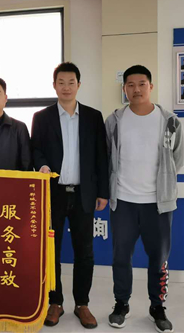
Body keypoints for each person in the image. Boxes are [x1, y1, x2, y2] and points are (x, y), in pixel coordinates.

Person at [105, 65, 184, 333]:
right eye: (130, 85)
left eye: (141, 84)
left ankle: (157, 307)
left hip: (157, 204)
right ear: (124, 89)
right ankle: (121, 304)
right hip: (123, 202)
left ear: (151, 86)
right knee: (121, 257)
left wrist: (162, 185)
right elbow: (108, 157)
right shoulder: (114, 121)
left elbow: (177, 158)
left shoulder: (170, 121)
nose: (136, 89)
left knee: (159, 258)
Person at [31, 62, 109, 329]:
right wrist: (41, 164)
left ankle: (82, 304)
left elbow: (101, 157)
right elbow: (36, 150)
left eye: (71, 82)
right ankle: (56, 302)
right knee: (51, 251)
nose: (66, 87)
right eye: (61, 82)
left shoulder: (93, 117)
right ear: (54, 85)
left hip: (84, 193)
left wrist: (103, 192)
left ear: (79, 85)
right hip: (53, 194)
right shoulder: (42, 117)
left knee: (84, 252)